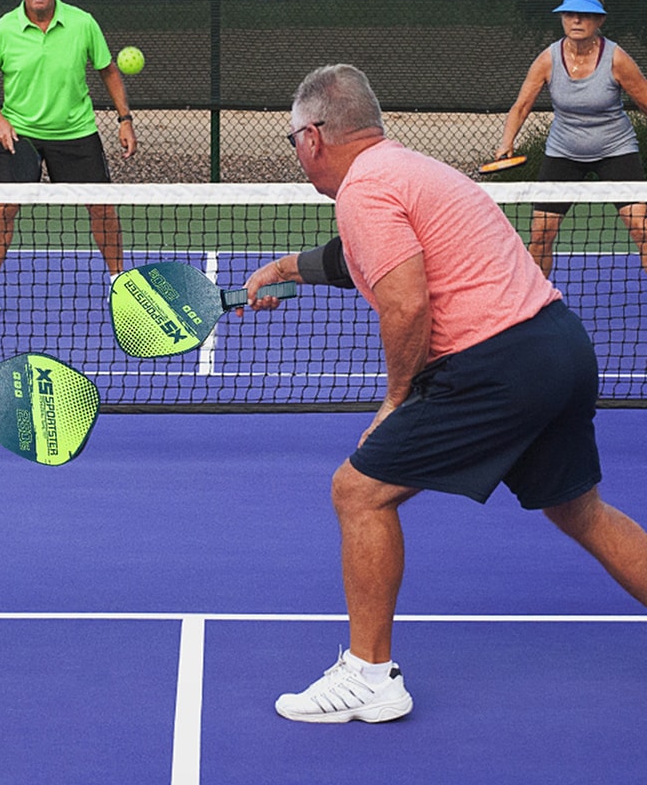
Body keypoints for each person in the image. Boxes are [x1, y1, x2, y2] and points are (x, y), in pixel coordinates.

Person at [243, 64, 647, 724]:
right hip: (558, 346)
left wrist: (397, 400)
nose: (297, 153)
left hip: (498, 365)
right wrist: (287, 268)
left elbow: (404, 303)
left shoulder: (363, 191)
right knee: (582, 513)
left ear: (314, 136)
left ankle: (370, 676)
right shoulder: (408, 169)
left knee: (359, 492)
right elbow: (362, 259)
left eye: (293, 141)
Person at [0, 0, 137, 316]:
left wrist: (124, 119)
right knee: (4, 207)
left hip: (76, 132)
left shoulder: (82, 24)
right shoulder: (1, 30)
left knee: (102, 207)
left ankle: (118, 282)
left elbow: (108, 70)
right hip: (21, 135)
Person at [496, 0, 647, 277]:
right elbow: (521, 106)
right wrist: (506, 143)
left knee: (643, 230)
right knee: (540, 235)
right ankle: (536, 307)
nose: (576, 21)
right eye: (569, 15)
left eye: (585, 15)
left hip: (616, 151)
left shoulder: (616, 58)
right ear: (562, 19)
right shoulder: (547, 59)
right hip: (563, 153)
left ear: (599, 21)